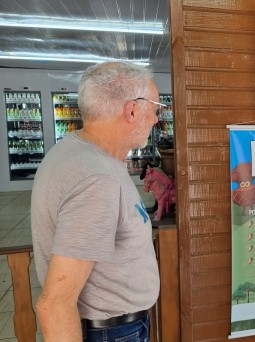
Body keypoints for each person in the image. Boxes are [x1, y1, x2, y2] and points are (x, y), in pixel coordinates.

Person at [31, 61, 161, 341]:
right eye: (155, 107)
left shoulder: (75, 151)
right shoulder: (97, 179)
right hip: (112, 332)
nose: (156, 119)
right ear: (133, 109)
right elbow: (53, 304)